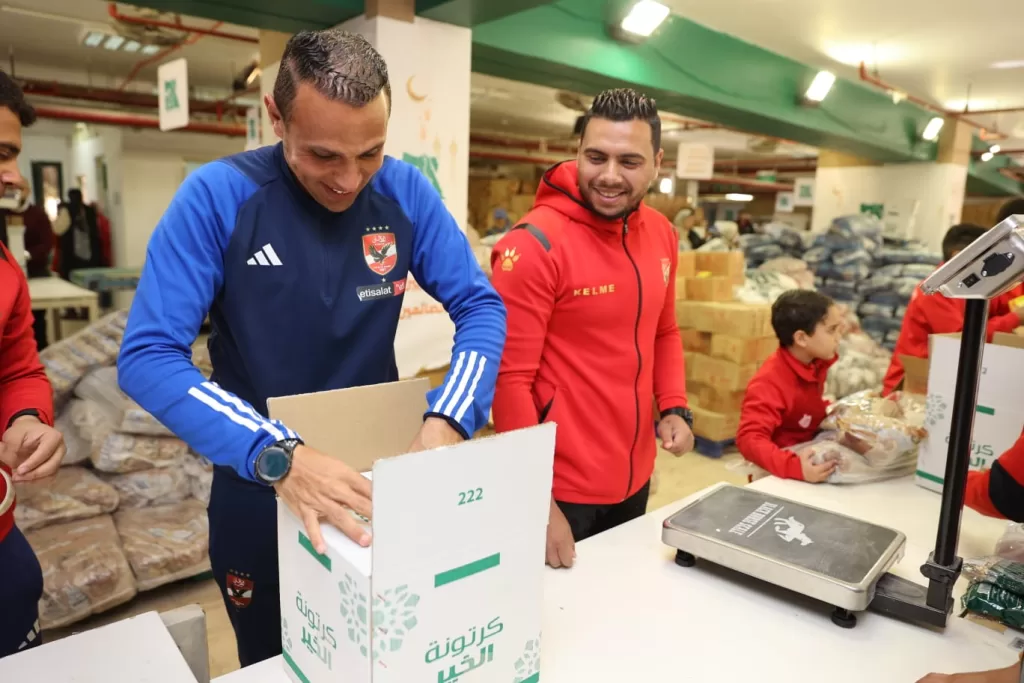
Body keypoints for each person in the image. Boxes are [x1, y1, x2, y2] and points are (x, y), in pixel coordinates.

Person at [116, 29, 506, 666]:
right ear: (275, 117)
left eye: (371, 152)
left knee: (388, 654)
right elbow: (148, 356)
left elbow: (480, 306)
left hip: (382, 477)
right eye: (324, 155)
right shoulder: (218, 199)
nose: (349, 179)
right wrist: (279, 456)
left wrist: (449, 419)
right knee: (275, 660)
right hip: (259, 482)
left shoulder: (405, 193)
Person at [489, 88, 693, 570]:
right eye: (595, 157)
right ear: (577, 151)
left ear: (658, 163)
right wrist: (537, 503)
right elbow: (509, 380)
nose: (608, 175)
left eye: (629, 161)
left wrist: (675, 406)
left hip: (635, 476)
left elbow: (664, 331)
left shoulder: (662, 234)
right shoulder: (534, 245)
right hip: (561, 490)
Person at [0, 69, 67, 659]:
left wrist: (25, 418)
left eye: (14, 155)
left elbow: (19, 364)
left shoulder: (4, 268)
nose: (13, 176)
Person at [882, 224, 1024, 395]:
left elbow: (1000, 303)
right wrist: (1014, 318)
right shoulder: (935, 292)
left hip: (943, 377)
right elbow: (961, 339)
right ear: (958, 257)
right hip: (913, 385)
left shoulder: (972, 285)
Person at [736, 290, 843, 482]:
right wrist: (794, 467)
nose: (838, 337)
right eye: (831, 330)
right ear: (801, 338)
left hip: (807, 456)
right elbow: (749, 440)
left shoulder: (812, 363)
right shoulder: (770, 382)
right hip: (778, 475)